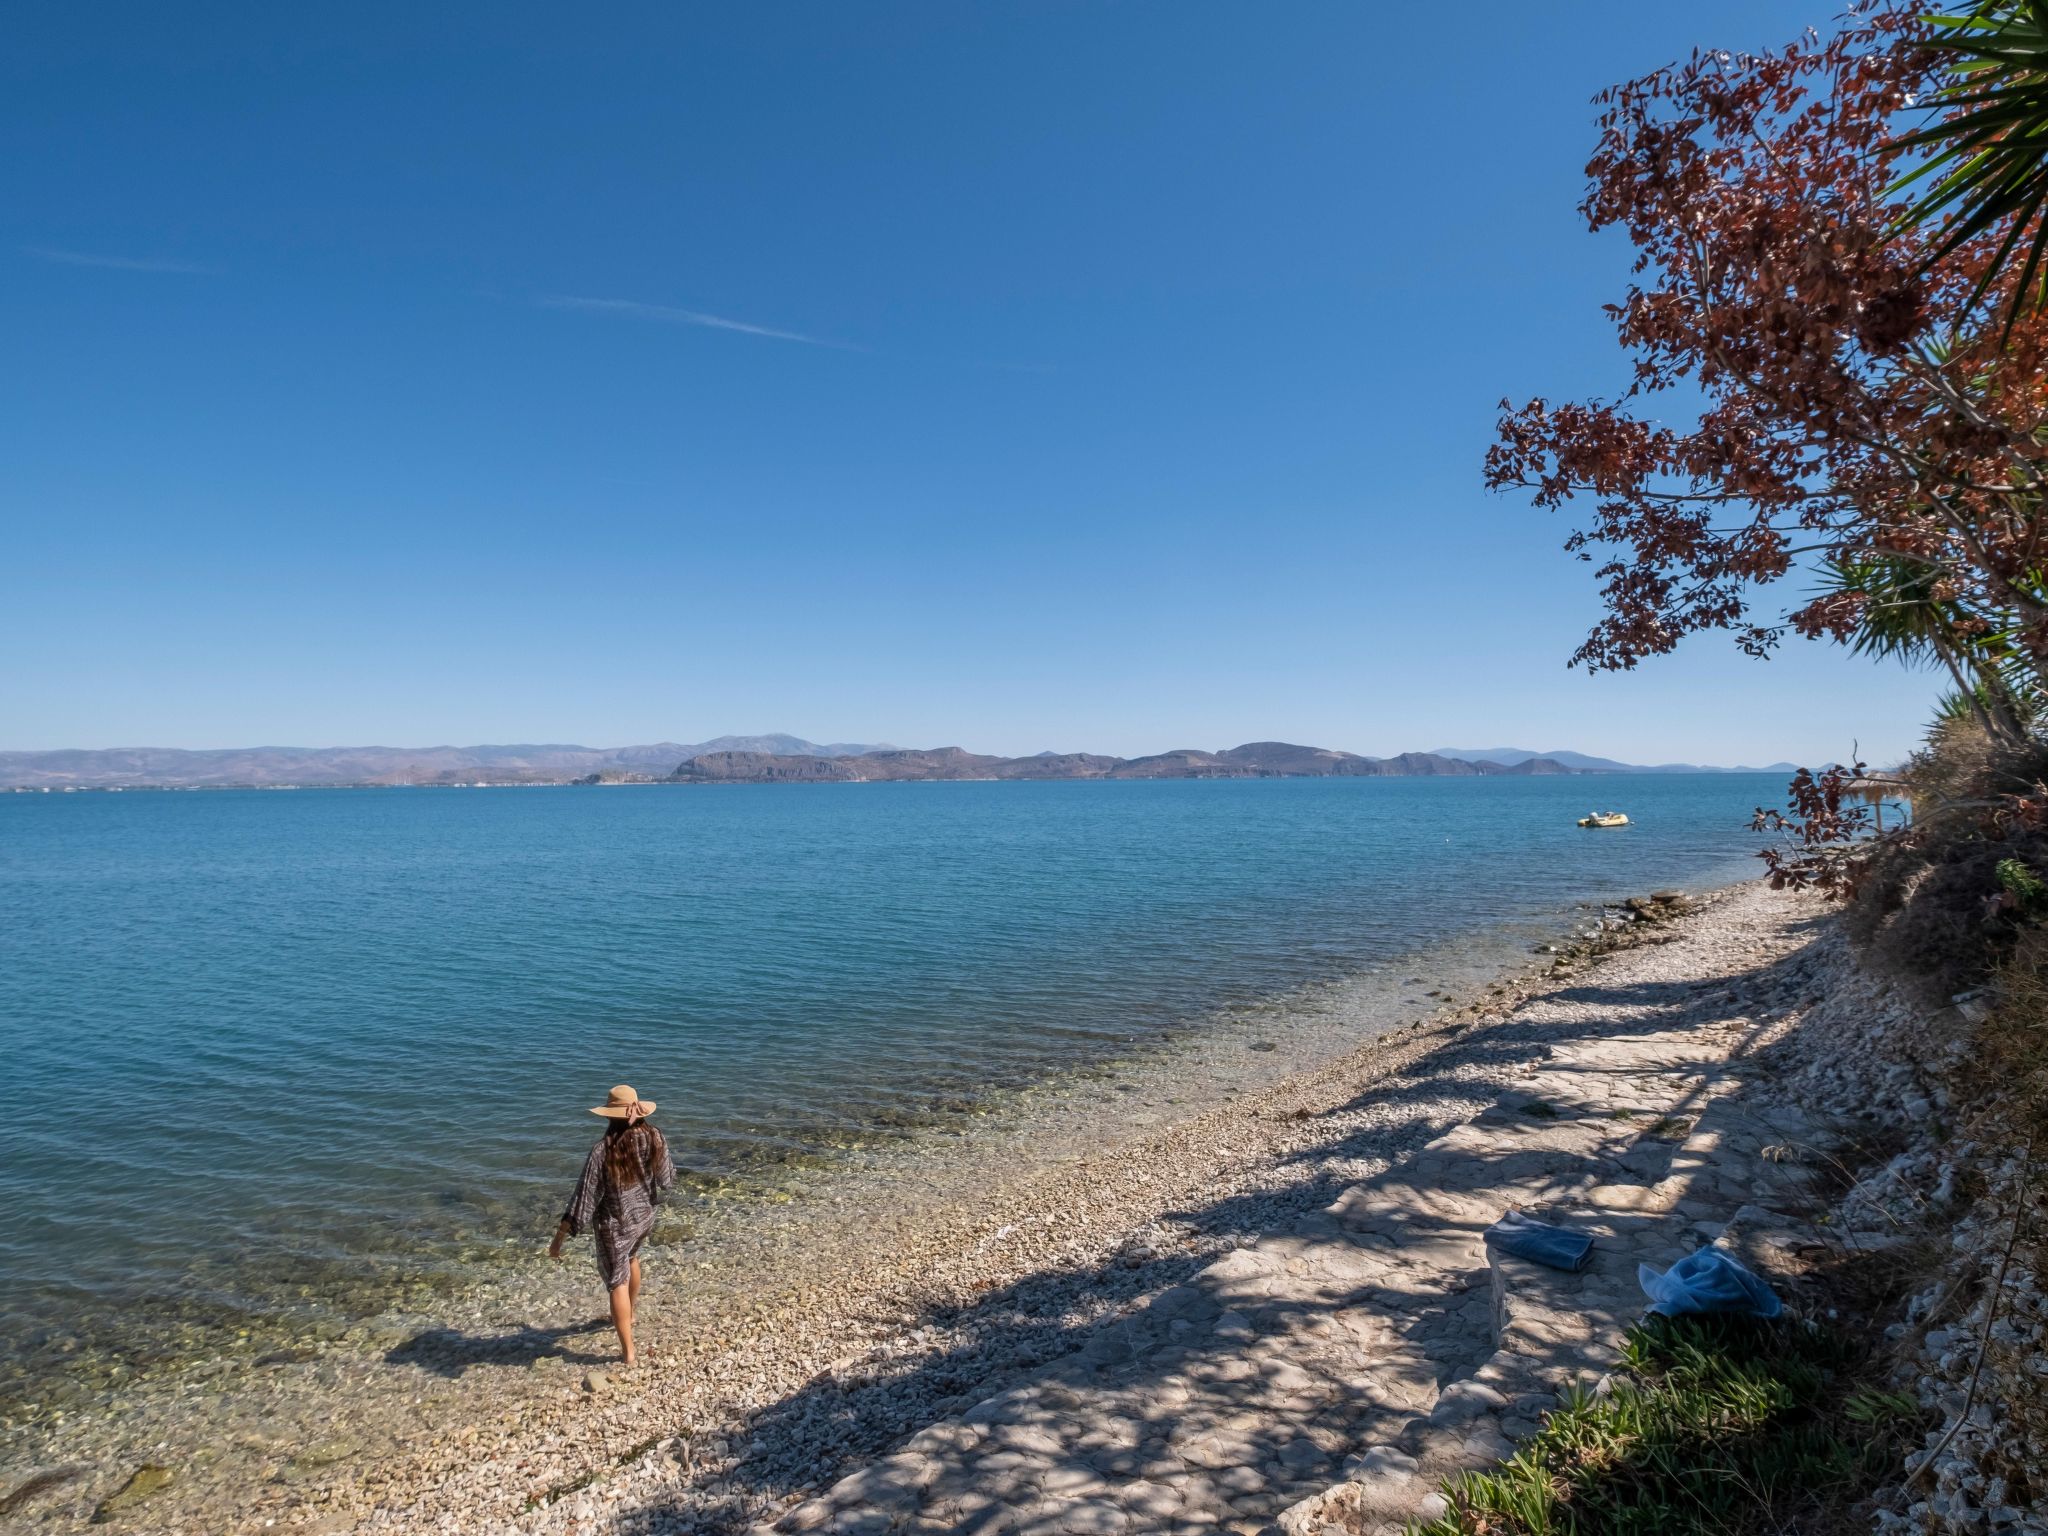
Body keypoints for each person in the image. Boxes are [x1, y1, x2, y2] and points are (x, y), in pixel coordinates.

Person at [549, 1083, 675, 1365]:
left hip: (615, 1225)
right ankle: (630, 1314)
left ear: (608, 1116)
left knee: (616, 1281)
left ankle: (628, 1353)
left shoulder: (602, 1151)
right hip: (644, 1218)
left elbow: (584, 1197)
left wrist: (559, 1237)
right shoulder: (655, 1136)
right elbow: (667, 1180)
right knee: (632, 1258)